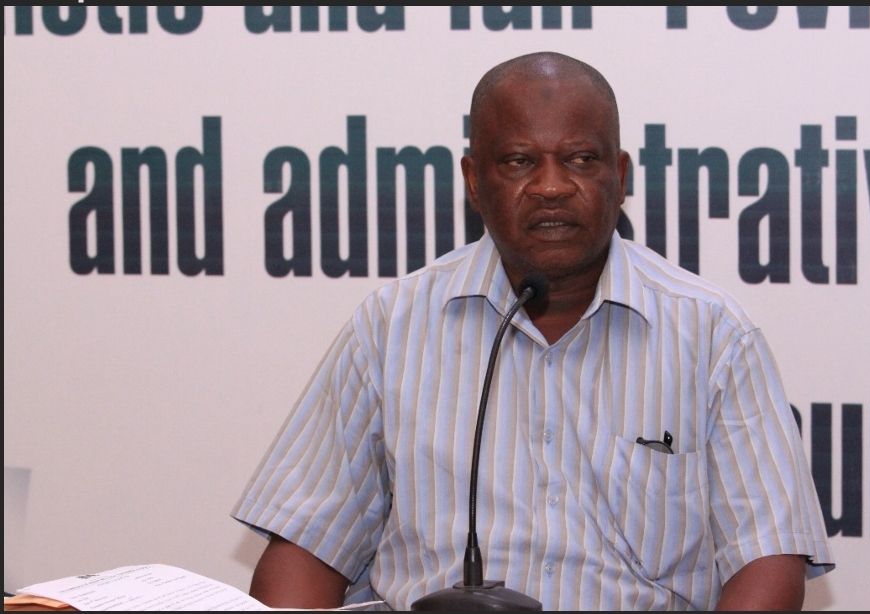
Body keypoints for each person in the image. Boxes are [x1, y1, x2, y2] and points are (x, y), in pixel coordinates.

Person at [231, 51, 834, 611]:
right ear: (473, 180)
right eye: (519, 161)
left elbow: (769, 559)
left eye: (581, 159)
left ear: (620, 175)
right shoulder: (392, 325)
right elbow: (305, 548)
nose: (551, 186)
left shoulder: (712, 334)